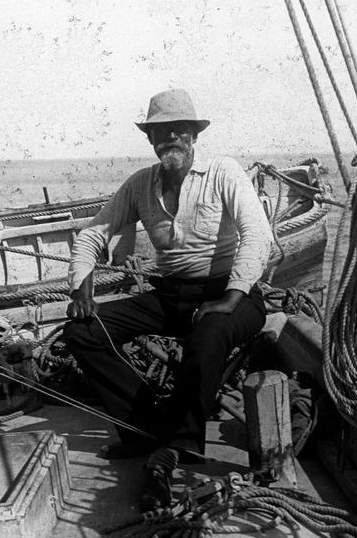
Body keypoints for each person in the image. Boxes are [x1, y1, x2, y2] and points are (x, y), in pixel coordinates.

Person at [63, 88, 276, 509]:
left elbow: (258, 236)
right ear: (150, 140)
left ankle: (174, 448)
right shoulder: (141, 184)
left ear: (194, 136)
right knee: (82, 331)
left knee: (209, 333)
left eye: (179, 130)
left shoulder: (223, 173)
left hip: (231, 296)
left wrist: (231, 298)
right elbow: (93, 234)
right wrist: (81, 287)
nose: (170, 139)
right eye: (161, 132)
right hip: (172, 297)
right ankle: (146, 430)